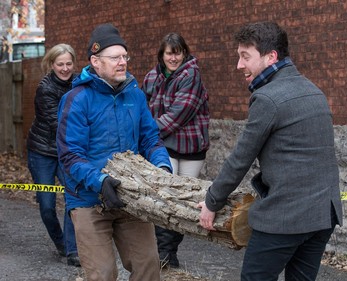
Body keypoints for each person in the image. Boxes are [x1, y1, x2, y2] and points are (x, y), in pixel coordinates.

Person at [198, 21, 343, 281]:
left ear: (271, 57)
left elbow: (240, 159)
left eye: (245, 57)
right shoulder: (315, 91)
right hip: (323, 214)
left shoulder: (268, 98)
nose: (239, 65)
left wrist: (211, 202)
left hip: (286, 217)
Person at [56, 23, 172, 281]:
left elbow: (150, 138)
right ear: (95, 62)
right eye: (115, 58)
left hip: (129, 195)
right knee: (103, 273)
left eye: (125, 57)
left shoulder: (135, 94)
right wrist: (100, 181)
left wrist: (162, 168)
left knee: (148, 266)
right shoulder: (77, 99)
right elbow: (70, 155)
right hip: (88, 199)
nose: (123, 62)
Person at [142, 32, 209, 268]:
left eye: (178, 52)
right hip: (165, 146)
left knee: (183, 202)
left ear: (184, 52)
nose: (174, 58)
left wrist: (148, 131)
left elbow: (179, 114)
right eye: (169, 53)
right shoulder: (152, 77)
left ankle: (170, 251)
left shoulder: (192, 75)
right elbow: (143, 108)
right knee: (164, 198)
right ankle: (163, 253)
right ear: (162, 54)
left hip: (191, 147)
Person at [26, 43, 80, 267]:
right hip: (43, 152)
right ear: (51, 64)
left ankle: (72, 249)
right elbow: (59, 125)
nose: (65, 68)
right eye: (60, 64)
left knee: (73, 198)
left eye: (69, 63)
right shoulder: (45, 89)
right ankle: (60, 241)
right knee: (47, 205)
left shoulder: (79, 84)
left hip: (66, 152)